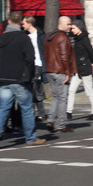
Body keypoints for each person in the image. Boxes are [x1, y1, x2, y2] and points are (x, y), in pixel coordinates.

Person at [0, 11, 45, 145]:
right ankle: (31, 138)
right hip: (19, 79)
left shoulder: (1, 38)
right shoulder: (23, 38)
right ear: (20, 23)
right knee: (26, 108)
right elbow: (30, 58)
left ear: (8, 22)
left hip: (3, 78)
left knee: (3, 108)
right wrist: (28, 74)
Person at [44, 16, 76, 133]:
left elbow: (46, 54)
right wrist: (68, 72)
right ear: (61, 24)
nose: (70, 26)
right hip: (60, 71)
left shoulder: (50, 37)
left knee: (56, 98)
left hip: (50, 70)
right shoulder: (62, 37)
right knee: (62, 99)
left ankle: (50, 120)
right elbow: (64, 56)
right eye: (68, 24)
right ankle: (61, 125)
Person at [66, 19, 93, 120]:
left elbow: (90, 52)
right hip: (77, 69)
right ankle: (68, 112)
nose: (72, 30)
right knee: (71, 90)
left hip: (84, 68)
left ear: (79, 28)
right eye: (71, 28)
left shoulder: (84, 39)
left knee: (89, 91)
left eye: (74, 28)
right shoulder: (77, 38)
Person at [22, 16, 47, 122]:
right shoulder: (25, 36)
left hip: (38, 64)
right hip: (29, 65)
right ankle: (40, 113)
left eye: (24, 23)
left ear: (29, 24)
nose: (22, 25)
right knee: (34, 89)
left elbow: (45, 51)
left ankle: (38, 113)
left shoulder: (40, 35)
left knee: (34, 88)